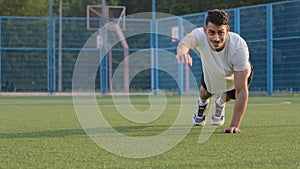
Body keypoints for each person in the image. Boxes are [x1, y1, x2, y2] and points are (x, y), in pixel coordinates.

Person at [176, 9, 253, 133]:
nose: (216, 38)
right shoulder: (200, 34)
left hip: (234, 73)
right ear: (205, 30)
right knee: (206, 92)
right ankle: (201, 104)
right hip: (212, 68)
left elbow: (241, 91)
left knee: (230, 95)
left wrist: (234, 125)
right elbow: (186, 42)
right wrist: (182, 52)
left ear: (227, 30)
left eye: (221, 33)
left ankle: (220, 103)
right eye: (211, 32)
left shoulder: (238, 47)